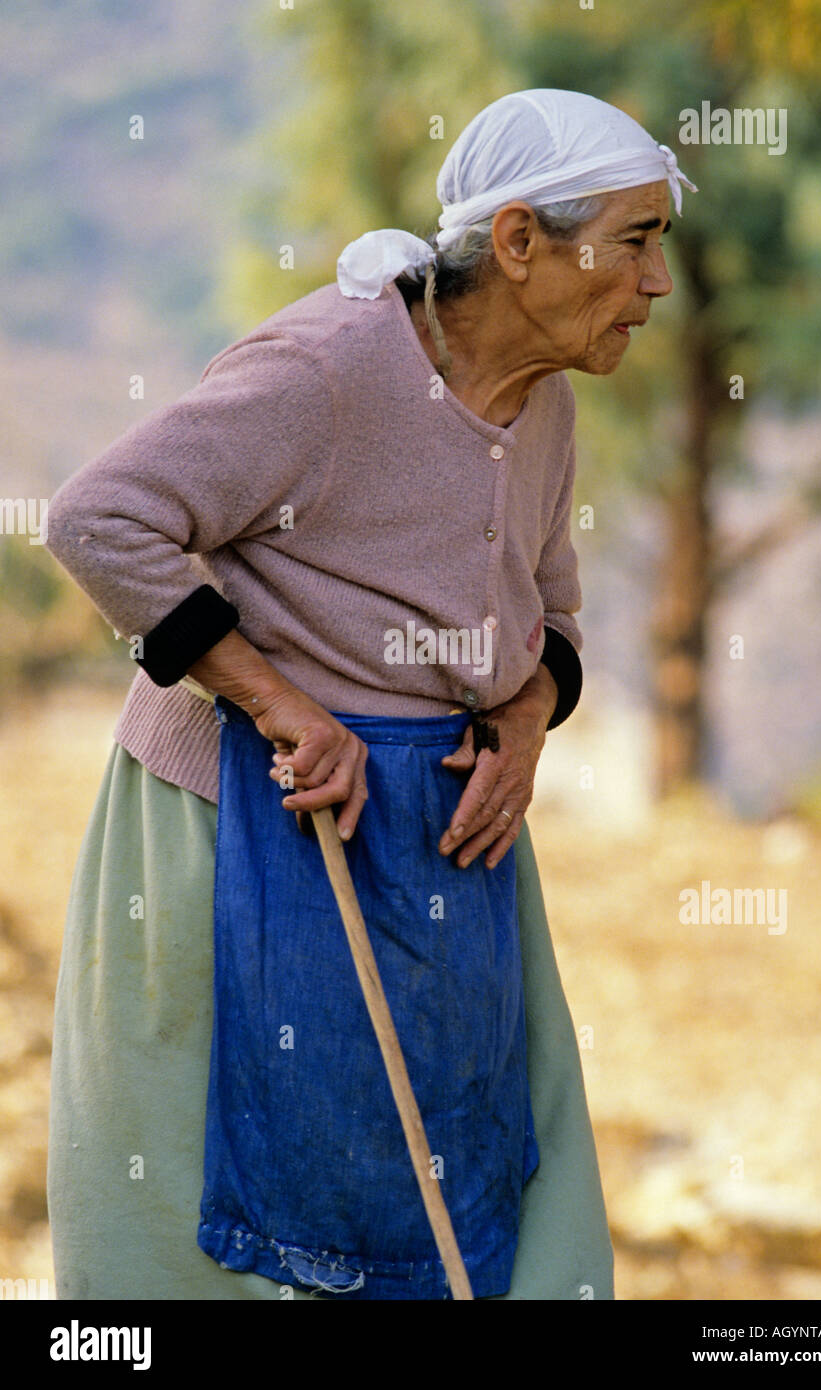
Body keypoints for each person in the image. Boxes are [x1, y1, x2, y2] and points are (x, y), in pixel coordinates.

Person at [44, 88, 695, 1300]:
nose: (656, 284)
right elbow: (98, 520)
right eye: (638, 239)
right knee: (231, 1188)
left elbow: (551, 611)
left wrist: (520, 720)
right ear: (516, 242)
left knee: (470, 1182)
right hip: (248, 819)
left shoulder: (543, 402)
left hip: (446, 834)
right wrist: (279, 701)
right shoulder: (326, 369)